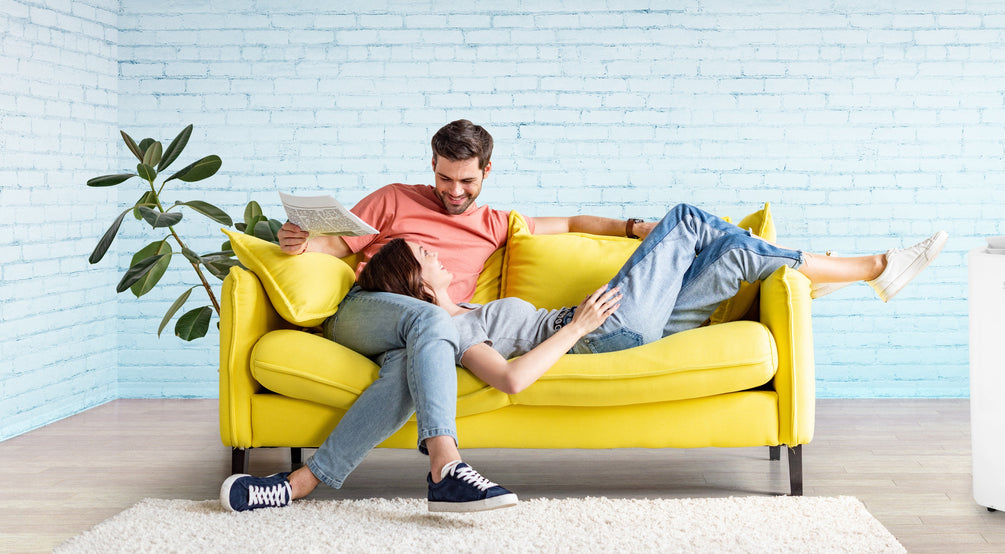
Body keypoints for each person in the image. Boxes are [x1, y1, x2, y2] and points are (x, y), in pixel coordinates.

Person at [221, 120, 660, 513]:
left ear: (487, 171)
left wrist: (633, 227)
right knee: (434, 321)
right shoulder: (393, 199)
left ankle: (296, 485)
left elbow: (566, 223)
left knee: (409, 367)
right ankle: (445, 466)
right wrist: (298, 244)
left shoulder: (493, 222)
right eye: (443, 177)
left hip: (426, 337)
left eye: (466, 180)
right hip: (366, 311)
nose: (453, 191)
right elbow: (336, 247)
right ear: (432, 165)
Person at [357, 203, 948, 412]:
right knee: (689, 218)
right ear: (417, 283)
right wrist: (580, 324)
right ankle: (864, 265)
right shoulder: (451, 329)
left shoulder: (456, 307)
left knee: (739, 255)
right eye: (423, 255)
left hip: (627, 325)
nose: (435, 255)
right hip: (601, 326)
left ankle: (873, 273)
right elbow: (512, 379)